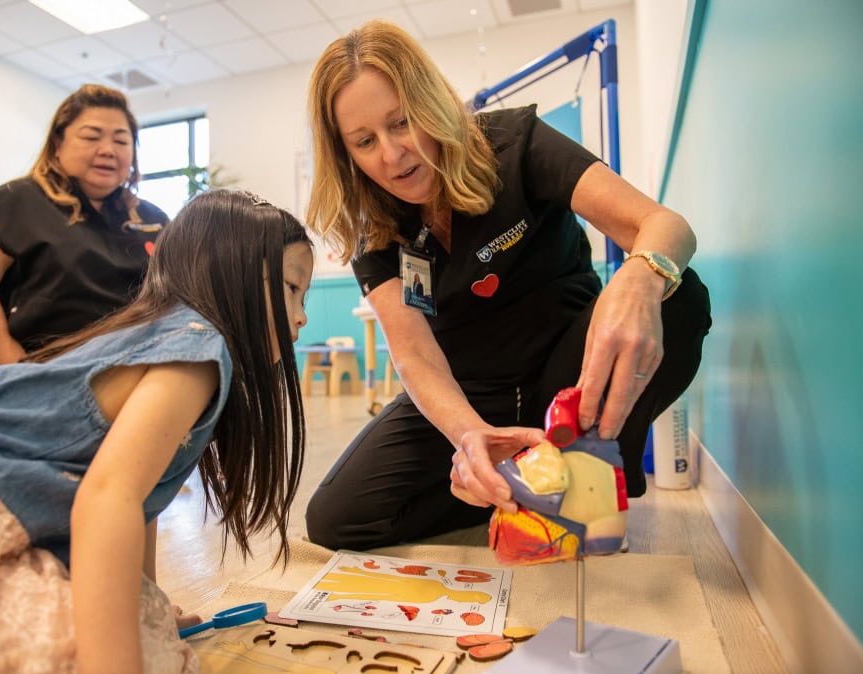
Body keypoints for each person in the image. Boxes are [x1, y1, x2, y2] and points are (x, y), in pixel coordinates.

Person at [0, 189, 314, 674]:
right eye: (289, 288)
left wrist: (149, 607)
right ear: (228, 272)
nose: (301, 315)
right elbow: (108, 497)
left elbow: (141, 498)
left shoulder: (178, 332)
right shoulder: (198, 352)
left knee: (143, 639)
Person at [304, 20, 712, 550]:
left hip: (567, 373)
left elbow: (666, 227)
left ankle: (587, 476)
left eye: (401, 122)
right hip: (469, 392)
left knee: (681, 296)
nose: (391, 154)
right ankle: (514, 486)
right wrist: (468, 437)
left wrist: (639, 278)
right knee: (337, 520)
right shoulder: (373, 228)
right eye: (364, 141)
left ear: (429, 103)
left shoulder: (514, 145)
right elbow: (415, 358)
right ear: (346, 154)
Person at [0, 84, 170, 366]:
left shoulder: (153, 219)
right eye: (91, 137)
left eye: (121, 141)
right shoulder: (16, 202)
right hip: (52, 372)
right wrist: (14, 366)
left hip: (140, 369)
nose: (107, 150)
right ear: (57, 144)